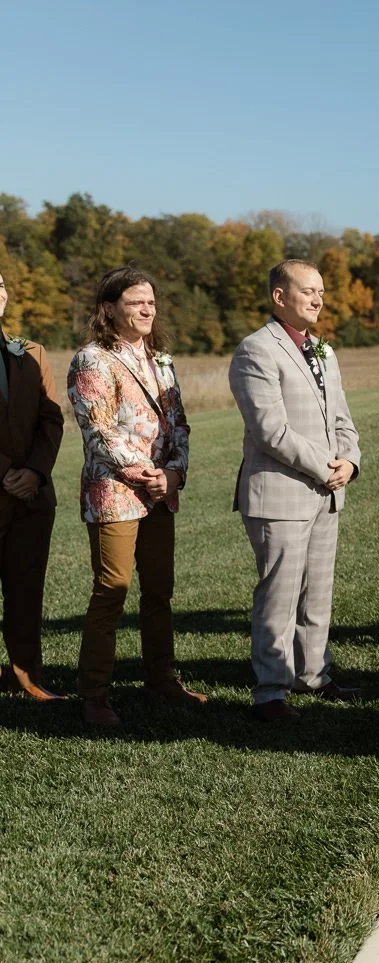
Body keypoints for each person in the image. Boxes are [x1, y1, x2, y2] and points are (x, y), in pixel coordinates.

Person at [68, 267, 204, 726]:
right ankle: (94, 695)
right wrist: (148, 475)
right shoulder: (92, 360)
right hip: (115, 492)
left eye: (151, 302)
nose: (148, 309)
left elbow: (179, 424)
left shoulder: (161, 359)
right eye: (136, 302)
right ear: (109, 309)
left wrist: (173, 474)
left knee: (159, 591)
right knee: (112, 591)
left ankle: (162, 679)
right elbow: (98, 432)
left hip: (160, 492)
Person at [229, 259, 363, 722]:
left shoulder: (324, 351)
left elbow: (342, 417)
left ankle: (314, 674)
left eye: (321, 292)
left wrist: (351, 460)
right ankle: (270, 692)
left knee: (317, 590)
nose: (318, 299)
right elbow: (270, 431)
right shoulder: (255, 351)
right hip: (280, 492)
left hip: (327, 491)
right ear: (279, 297)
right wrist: (325, 466)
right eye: (308, 291)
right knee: (279, 593)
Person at [0, 268, 66, 701]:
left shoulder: (31, 353)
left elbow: (52, 417)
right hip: (5, 482)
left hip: (31, 497)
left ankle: (27, 680)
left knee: (26, 595)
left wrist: (36, 472)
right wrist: (5, 471)